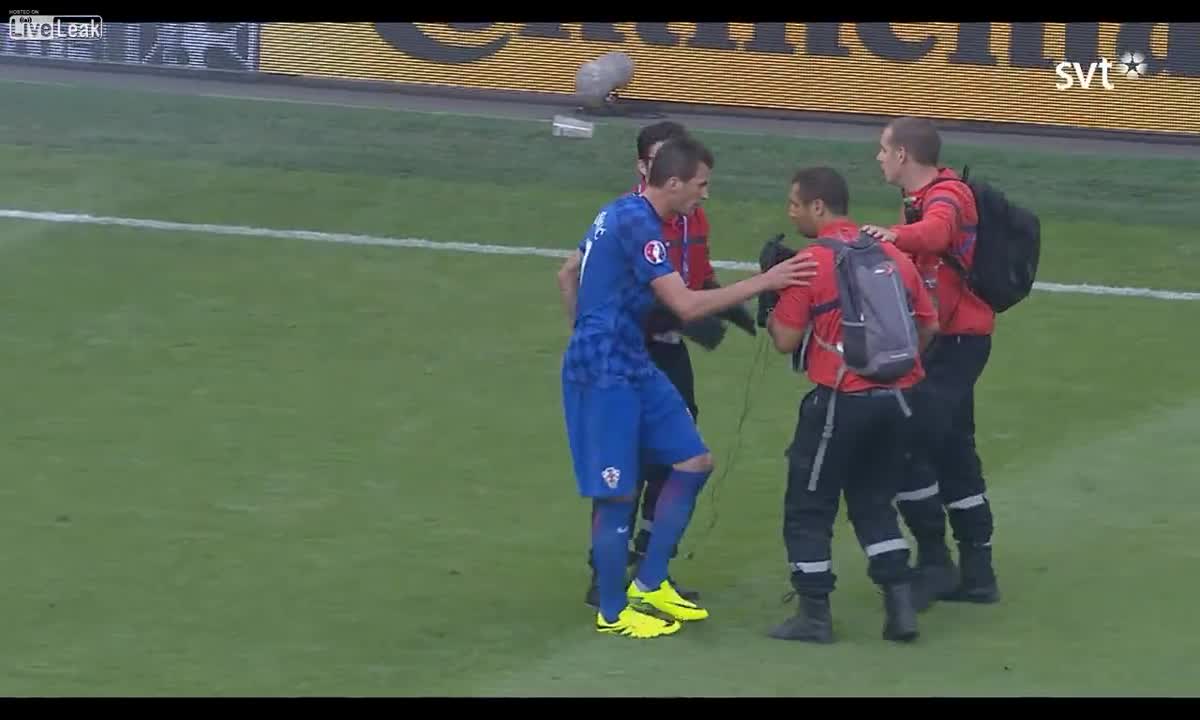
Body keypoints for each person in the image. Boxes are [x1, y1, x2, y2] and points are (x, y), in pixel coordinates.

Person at [556, 137, 817, 639]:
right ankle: (613, 612)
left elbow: (567, 273)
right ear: (673, 183)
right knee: (618, 493)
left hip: (628, 357)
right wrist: (769, 280)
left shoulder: (621, 213)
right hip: (606, 370)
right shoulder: (639, 224)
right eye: (701, 185)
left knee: (693, 461)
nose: (704, 195)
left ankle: (649, 583)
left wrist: (587, 326)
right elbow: (687, 307)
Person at [583, 121, 756, 609]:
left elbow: (697, 276)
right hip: (631, 356)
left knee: (677, 461)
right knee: (626, 466)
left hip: (669, 352)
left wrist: (721, 302)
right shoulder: (631, 218)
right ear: (647, 167)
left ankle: (651, 566)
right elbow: (574, 273)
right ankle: (604, 575)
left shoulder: (690, 218)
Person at [762, 166, 939, 644]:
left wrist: (771, 296)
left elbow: (784, 339)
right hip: (899, 398)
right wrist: (892, 370)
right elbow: (928, 324)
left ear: (819, 206)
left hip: (839, 402)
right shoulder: (891, 254)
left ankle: (814, 614)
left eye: (795, 204)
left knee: (808, 506)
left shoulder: (811, 262)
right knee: (875, 502)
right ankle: (900, 608)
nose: (791, 212)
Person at [861, 116, 1000, 607]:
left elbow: (938, 235)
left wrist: (894, 237)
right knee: (954, 450)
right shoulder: (930, 196)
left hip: (954, 345)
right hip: (952, 340)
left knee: (907, 443)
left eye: (883, 149)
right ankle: (976, 573)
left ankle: (937, 563)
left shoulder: (947, 195)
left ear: (904, 155)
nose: (878, 157)